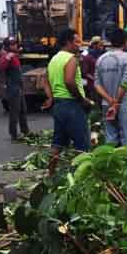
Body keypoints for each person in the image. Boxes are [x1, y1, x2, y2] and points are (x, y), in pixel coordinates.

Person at [43, 28, 92, 159]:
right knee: (82, 146)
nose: (79, 45)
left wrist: (50, 97)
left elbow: (45, 79)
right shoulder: (71, 59)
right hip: (72, 105)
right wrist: (82, 100)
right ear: (68, 42)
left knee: (58, 144)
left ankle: (50, 174)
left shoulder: (54, 59)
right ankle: (81, 177)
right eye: (76, 42)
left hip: (59, 106)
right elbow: (69, 81)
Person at [94, 28, 127, 146]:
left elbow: (97, 85)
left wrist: (110, 101)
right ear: (125, 42)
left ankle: (111, 162)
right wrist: (116, 103)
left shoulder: (101, 59)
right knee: (126, 137)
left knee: (110, 137)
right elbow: (124, 83)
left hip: (106, 104)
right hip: (123, 104)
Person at [0, 37, 29, 140]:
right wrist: (7, 57)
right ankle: (13, 135)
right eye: (13, 44)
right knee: (14, 112)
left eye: (15, 43)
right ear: (8, 46)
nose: (15, 45)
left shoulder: (14, 54)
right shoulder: (6, 56)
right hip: (12, 87)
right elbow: (1, 67)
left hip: (18, 87)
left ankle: (25, 132)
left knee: (23, 110)